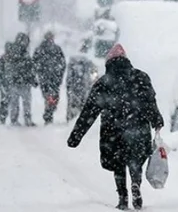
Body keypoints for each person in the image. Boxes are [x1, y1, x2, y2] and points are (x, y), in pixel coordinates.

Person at [67, 44, 164, 211]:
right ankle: (136, 184)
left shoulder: (103, 82)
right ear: (126, 60)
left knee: (118, 163)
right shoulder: (141, 77)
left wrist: (76, 136)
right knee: (135, 160)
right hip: (138, 128)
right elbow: (150, 102)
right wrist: (157, 120)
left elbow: (89, 112)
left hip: (113, 130)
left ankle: (123, 197)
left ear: (108, 63)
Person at [33, 31, 67, 125]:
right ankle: (48, 114)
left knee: (51, 97)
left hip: (51, 78)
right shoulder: (42, 49)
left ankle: (48, 112)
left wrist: (59, 74)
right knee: (51, 97)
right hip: (48, 78)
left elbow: (62, 63)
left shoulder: (54, 49)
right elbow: (34, 63)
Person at [6, 33, 37, 127]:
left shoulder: (13, 52)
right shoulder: (23, 53)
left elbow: (9, 68)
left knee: (15, 103)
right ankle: (26, 119)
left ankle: (14, 120)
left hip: (15, 82)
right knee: (25, 103)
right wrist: (32, 79)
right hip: (23, 82)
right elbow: (29, 68)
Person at [66, 47, 97, 122]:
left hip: (74, 86)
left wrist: (68, 85)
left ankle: (72, 117)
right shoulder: (87, 61)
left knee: (73, 102)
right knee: (84, 102)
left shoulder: (73, 62)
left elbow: (69, 77)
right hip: (84, 85)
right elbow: (93, 73)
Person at [0, 42, 14, 125]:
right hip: (5, 84)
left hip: (13, 84)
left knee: (13, 102)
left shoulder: (14, 59)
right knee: (4, 102)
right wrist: (0, 83)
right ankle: (3, 119)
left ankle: (13, 119)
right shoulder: (2, 59)